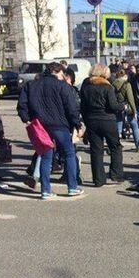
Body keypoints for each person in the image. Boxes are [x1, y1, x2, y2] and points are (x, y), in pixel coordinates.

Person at [17, 62, 82, 199]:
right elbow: (71, 108)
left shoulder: (31, 85)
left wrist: (26, 119)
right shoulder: (62, 86)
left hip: (40, 125)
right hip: (60, 125)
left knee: (46, 156)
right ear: (58, 72)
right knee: (69, 154)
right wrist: (76, 124)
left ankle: (45, 190)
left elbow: (22, 105)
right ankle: (72, 187)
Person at [80, 64, 125, 186]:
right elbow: (113, 106)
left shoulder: (86, 86)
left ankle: (98, 179)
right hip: (107, 120)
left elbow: (82, 107)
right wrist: (123, 105)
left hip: (92, 120)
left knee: (96, 150)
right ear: (104, 73)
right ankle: (116, 174)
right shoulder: (107, 87)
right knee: (115, 147)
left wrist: (86, 123)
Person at [112, 69, 139, 152]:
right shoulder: (127, 84)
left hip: (118, 106)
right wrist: (134, 110)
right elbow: (130, 98)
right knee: (134, 126)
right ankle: (138, 145)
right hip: (127, 107)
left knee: (118, 127)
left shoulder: (113, 84)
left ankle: (115, 146)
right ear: (125, 76)